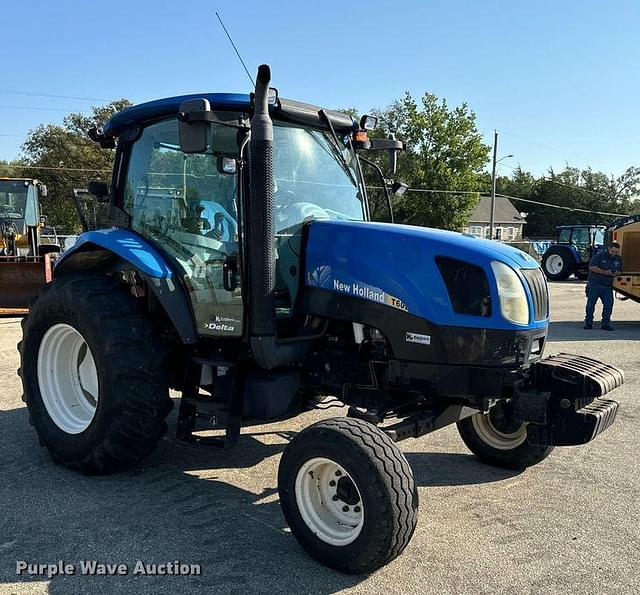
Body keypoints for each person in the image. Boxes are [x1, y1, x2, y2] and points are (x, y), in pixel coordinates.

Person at [584, 241, 622, 330]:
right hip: (595, 284)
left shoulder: (618, 259)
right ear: (609, 249)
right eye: (612, 251)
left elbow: (620, 271)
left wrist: (616, 273)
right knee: (590, 305)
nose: (614, 254)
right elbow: (592, 267)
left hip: (607, 286)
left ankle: (605, 324)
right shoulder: (599, 256)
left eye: (616, 252)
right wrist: (605, 272)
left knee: (608, 305)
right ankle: (588, 323)